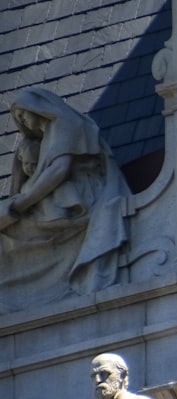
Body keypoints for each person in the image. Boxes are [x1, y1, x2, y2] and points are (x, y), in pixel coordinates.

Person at [0, 87, 130, 312]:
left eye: (23, 114)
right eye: (18, 118)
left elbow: (59, 171)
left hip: (82, 197)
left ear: (38, 107)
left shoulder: (65, 124)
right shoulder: (43, 139)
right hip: (58, 198)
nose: (23, 121)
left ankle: (15, 293)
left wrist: (22, 204)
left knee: (13, 231)